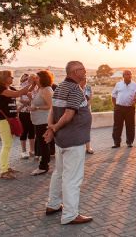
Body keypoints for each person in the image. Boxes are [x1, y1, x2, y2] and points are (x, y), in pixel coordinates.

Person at [44, 61, 93, 225]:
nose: (85, 71)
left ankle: (53, 204)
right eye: (82, 69)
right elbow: (68, 115)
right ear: (74, 71)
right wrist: (55, 127)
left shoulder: (60, 87)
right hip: (74, 140)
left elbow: (52, 110)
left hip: (61, 140)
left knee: (59, 173)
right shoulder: (74, 89)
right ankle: (70, 215)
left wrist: (52, 129)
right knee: (72, 178)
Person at [0, 70, 35, 179]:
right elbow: (18, 94)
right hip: (3, 121)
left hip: (10, 120)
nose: (13, 78)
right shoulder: (1, 90)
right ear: (4, 78)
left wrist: (33, 83)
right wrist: (30, 82)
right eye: (10, 77)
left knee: (8, 145)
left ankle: (6, 167)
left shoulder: (9, 89)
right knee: (6, 145)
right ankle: (3, 170)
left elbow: (24, 92)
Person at [30, 70, 55, 176]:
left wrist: (36, 107)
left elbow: (51, 106)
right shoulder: (41, 89)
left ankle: (43, 166)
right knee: (42, 143)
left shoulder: (46, 90)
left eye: (37, 77)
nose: (35, 79)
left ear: (43, 78)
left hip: (44, 121)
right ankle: (44, 164)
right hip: (38, 121)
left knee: (44, 144)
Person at [110, 70, 136, 148]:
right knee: (117, 126)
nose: (129, 75)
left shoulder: (135, 85)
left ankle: (129, 142)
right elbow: (113, 96)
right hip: (119, 108)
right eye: (127, 74)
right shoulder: (118, 84)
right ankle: (116, 143)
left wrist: (135, 102)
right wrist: (115, 106)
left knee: (130, 126)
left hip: (130, 109)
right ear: (123, 76)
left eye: (130, 74)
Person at [17, 73, 36, 159]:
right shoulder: (21, 88)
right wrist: (27, 103)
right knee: (24, 132)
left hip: (31, 112)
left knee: (32, 132)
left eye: (27, 79)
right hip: (24, 112)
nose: (26, 80)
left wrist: (26, 103)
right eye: (24, 79)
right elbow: (21, 100)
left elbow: (34, 99)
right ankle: (23, 151)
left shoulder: (33, 87)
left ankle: (32, 150)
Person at [80, 77, 94, 155]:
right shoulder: (76, 87)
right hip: (77, 112)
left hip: (87, 111)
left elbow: (90, 99)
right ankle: (79, 147)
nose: (84, 81)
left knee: (87, 129)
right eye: (83, 79)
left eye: (85, 80)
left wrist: (85, 107)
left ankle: (88, 147)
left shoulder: (88, 88)